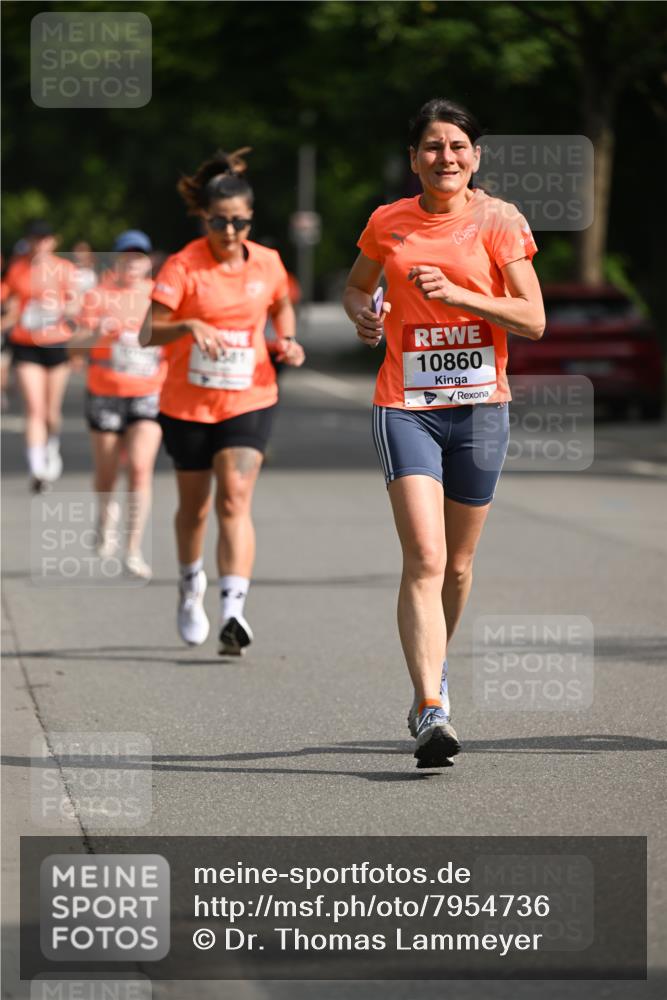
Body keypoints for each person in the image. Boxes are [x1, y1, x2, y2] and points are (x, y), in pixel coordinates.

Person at [343, 99, 545, 768]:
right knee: (425, 558)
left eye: (457, 145)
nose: (445, 157)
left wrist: (461, 296)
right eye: (432, 147)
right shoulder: (387, 222)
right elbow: (356, 287)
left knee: (457, 565)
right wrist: (364, 317)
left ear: (475, 156)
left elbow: (532, 319)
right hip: (406, 406)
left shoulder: (498, 221)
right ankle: (430, 705)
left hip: (482, 407)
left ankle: (436, 671)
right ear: (413, 159)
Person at [140, 148, 305, 652]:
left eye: (239, 223)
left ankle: (233, 611)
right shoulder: (183, 265)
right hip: (187, 403)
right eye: (219, 222)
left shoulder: (270, 264)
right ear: (203, 218)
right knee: (194, 508)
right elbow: (147, 332)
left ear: (251, 219)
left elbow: (280, 305)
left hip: (250, 396)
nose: (230, 233)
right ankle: (192, 588)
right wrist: (188, 323)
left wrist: (287, 340)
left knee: (234, 496)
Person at [69, 230, 164, 579]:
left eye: (139, 256)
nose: (132, 262)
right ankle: (105, 519)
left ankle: (133, 547)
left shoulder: (160, 296)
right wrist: (100, 333)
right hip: (105, 391)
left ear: (148, 261)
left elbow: (177, 340)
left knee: (140, 467)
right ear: (117, 259)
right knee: (108, 471)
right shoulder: (98, 296)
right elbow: (72, 349)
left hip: (148, 391)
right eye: (126, 256)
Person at [1, 220, 80, 491]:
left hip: (56, 343)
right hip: (26, 343)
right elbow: (9, 303)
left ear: (53, 241)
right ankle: (36, 467)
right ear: (29, 241)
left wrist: (59, 308)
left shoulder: (65, 269)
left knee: (50, 411)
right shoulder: (19, 268)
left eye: (45, 239)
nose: (40, 244)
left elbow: (77, 304)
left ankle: (51, 446)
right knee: (34, 408)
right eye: (35, 239)